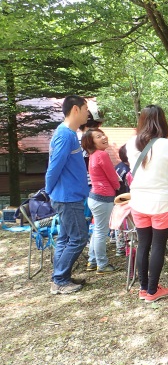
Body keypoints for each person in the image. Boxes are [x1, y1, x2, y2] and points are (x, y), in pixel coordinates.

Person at [126, 105, 168, 303]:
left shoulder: (131, 143)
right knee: (158, 245)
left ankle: (143, 288)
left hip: (138, 200)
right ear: (162, 121)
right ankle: (153, 290)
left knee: (143, 244)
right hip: (162, 201)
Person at [45, 95, 90, 294]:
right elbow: (54, 167)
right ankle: (60, 280)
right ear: (75, 110)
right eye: (86, 109)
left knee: (65, 239)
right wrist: (49, 190)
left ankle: (60, 277)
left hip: (69, 196)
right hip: (67, 197)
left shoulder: (68, 133)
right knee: (79, 237)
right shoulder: (65, 135)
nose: (88, 113)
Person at [81, 128, 120, 274]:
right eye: (98, 136)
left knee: (97, 230)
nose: (104, 137)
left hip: (95, 197)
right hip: (103, 198)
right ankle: (102, 265)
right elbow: (112, 176)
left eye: (103, 134)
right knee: (101, 232)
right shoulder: (102, 155)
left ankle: (92, 261)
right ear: (91, 142)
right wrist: (118, 187)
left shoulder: (93, 155)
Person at [113, 145, 131, 256]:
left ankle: (119, 246)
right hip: (126, 199)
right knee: (126, 224)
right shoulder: (128, 170)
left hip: (118, 199)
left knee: (119, 223)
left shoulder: (118, 166)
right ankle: (126, 245)